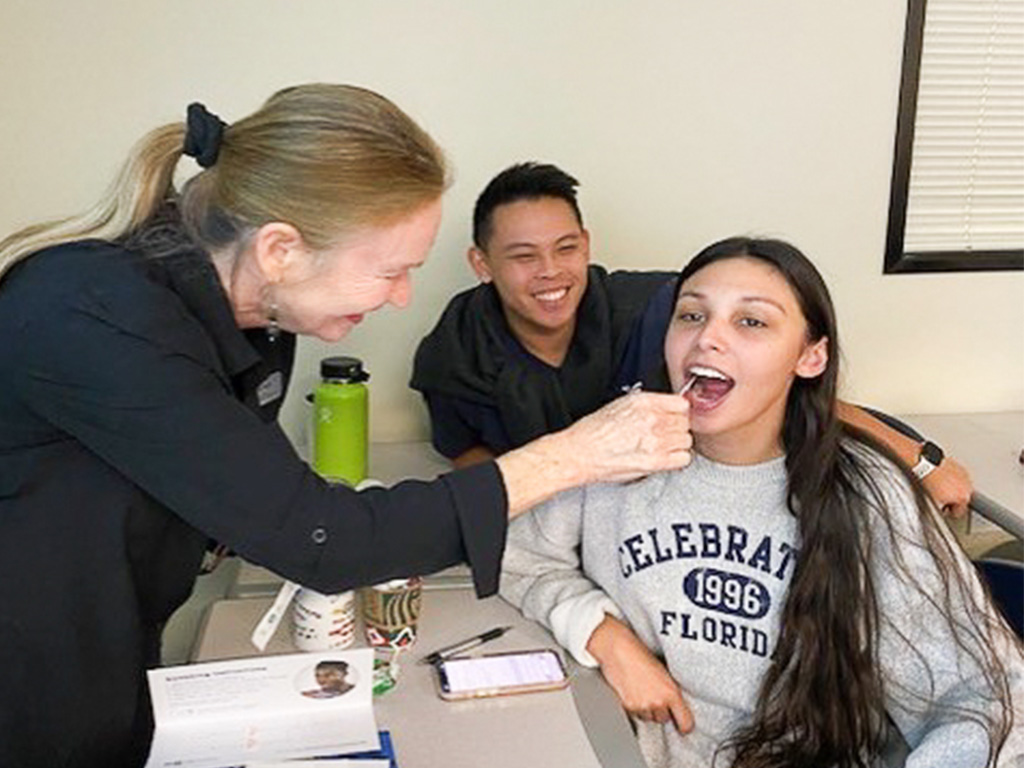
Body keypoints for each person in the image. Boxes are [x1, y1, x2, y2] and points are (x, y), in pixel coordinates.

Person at [0, 85, 693, 768]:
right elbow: (319, 537)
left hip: (109, 649)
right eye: (390, 272)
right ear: (280, 251)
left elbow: (266, 498)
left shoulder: (253, 321)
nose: (401, 299)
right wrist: (578, 454)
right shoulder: (92, 316)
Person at [500, 237, 1022, 767]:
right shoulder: (618, 458)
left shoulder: (869, 494)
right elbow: (518, 556)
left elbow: (991, 697)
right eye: (690, 315)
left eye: (751, 322)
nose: (707, 339)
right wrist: (603, 634)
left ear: (810, 356)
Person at [410, 162, 975, 516]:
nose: (551, 272)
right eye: (523, 256)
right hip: (561, 533)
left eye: (566, 248)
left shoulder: (664, 312)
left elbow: (795, 396)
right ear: (481, 264)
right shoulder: (454, 354)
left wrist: (920, 461)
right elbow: (469, 455)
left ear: (587, 243)